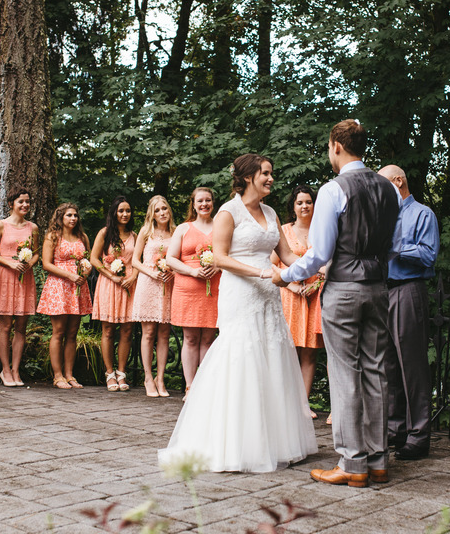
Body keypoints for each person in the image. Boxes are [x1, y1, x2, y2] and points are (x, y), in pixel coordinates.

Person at [159, 154, 317, 472]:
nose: (271, 178)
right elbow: (219, 257)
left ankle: (272, 442)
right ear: (248, 177)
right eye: (266, 173)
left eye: (272, 173)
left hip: (269, 295)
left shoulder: (271, 212)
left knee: (271, 355)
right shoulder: (228, 212)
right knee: (241, 355)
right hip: (242, 291)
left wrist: (319, 261)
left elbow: (285, 254)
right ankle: (231, 442)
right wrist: (261, 274)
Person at [273, 120, 400, 488]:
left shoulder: (333, 189)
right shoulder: (387, 189)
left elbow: (320, 254)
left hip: (344, 287)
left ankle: (351, 462)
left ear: (336, 146)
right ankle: (378, 460)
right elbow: (392, 244)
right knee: (377, 371)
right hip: (378, 288)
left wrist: (285, 275)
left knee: (345, 373)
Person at [377, 165, 439, 460]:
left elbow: (428, 254)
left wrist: (395, 247)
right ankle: (395, 429)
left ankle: (419, 435)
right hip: (382, 291)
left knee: (412, 365)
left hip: (408, 289)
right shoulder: (383, 216)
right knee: (389, 364)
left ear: (398, 181)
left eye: (382, 184)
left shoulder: (422, 214)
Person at [272, 185, 325, 417]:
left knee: (309, 352)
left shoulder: (322, 231)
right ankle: (284, 404)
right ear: (293, 207)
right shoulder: (284, 230)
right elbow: (272, 263)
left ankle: (303, 405)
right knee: (288, 351)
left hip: (315, 295)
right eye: (300, 202)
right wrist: (291, 285)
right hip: (290, 296)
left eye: (309, 202)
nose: (305, 206)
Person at [167, 187, 221, 394]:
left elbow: (230, 255)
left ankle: (205, 387)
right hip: (187, 289)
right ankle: (190, 386)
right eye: (200, 201)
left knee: (208, 338)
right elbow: (171, 258)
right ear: (193, 204)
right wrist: (192, 271)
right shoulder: (183, 228)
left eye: (208, 200)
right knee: (190, 338)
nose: (204, 204)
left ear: (213, 203)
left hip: (214, 288)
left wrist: (217, 265)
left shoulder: (221, 226)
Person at [37, 203, 92, 389]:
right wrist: (69, 275)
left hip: (77, 286)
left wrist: (83, 274)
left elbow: (87, 260)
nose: (73, 218)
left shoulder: (82, 237)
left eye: (75, 215)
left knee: (72, 333)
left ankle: (70, 374)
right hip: (59, 285)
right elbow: (46, 263)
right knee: (58, 332)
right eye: (69, 215)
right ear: (60, 217)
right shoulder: (53, 237)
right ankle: (58, 375)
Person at [0, 186, 39, 387]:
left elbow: (36, 252)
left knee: (21, 326)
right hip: (5, 276)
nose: (25, 205)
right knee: (6, 325)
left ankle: (17, 370)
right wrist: (10, 263)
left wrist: (29, 264)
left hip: (25, 278)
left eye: (27, 201)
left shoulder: (33, 228)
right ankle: (5, 370)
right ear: (11, 204)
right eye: (21, 202)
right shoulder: (0, 226)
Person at [90, 196, 138, 392]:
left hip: (128, 285)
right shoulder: (105, 233)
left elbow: (137, 261)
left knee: (127, 331)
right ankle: (109, 373)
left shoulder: (135, 235)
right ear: (114, 213)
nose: (125, 214)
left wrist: (133, 277)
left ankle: (122, 372)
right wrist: (111, 275)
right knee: (108, 330)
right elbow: (94, 258)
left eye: (127, 211)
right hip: (109, 284)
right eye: (121, 211)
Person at [131, 195, 175, 397]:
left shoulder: (176, 232)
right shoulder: (145, 232)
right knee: (148, 333)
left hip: (169, 284)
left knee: (164, 333)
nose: (162, 213)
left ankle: (161, 378)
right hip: (149, 282)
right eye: (157, 210)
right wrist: (152, 272)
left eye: (164, 208)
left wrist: (172, 272)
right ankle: (148, 377)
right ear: (152, 214)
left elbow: (179, 259)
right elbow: (135, 261)